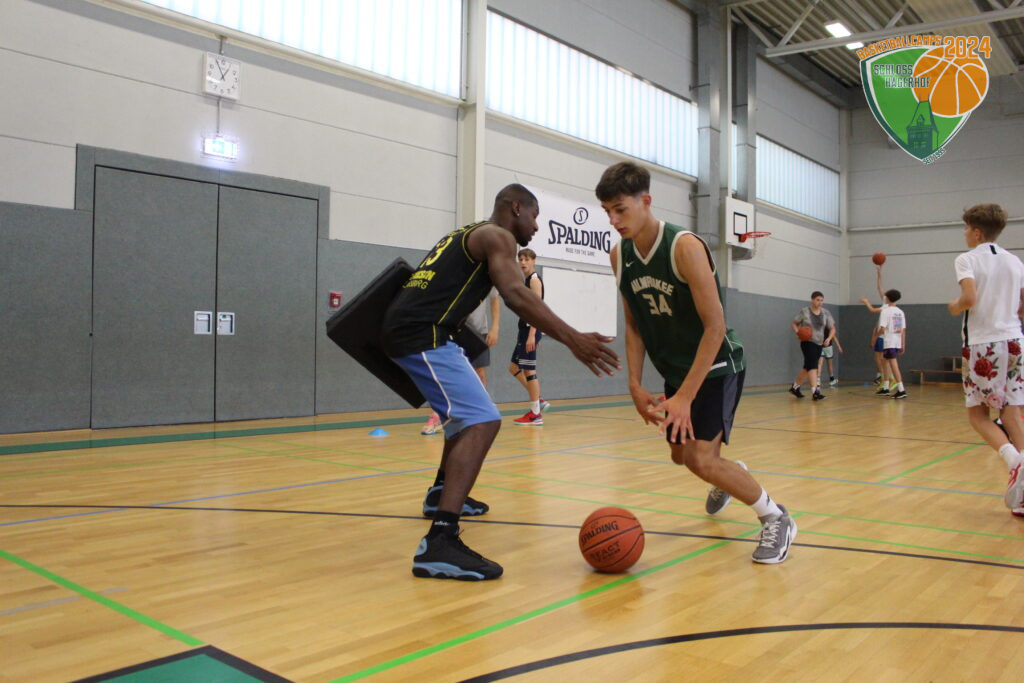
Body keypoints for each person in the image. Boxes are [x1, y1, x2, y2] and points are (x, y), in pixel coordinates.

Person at [381, 184, 619, 580]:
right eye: (535, 216)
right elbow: (515, 295)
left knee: (464, 419)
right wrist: (574, 338)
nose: (537, 227)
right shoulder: (498, 237)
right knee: (482, 420)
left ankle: (441, 493)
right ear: (516, 207)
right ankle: (439, 541)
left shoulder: (465, 233)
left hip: (426, 331)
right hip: (422, 335)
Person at [596, 161, 796, 564]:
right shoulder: (619, 254)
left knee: (700, 459)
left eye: (620, 209)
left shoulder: (683, 247)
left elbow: (715, 326)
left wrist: (685, 397)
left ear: (646, 201)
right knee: (681, 456)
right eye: (607, 212)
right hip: (677, 371)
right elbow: (633, 325)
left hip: (717, 364)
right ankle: (728, 473)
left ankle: (776, 517)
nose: (613, 220)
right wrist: (634, 385)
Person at [947, 203, 1024, 515]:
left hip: (983, 344)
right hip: (1015, 341)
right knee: (1011, 414)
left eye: (967, 228)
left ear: (977, 232)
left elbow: (969, 298)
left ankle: (1015, 462)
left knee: (978, 416)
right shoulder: (1015, 261)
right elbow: (1022, 307)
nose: (965, 234)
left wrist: (954, 306)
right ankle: (1022, 493)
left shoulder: (967, 259)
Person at [421, 290, 500, 435]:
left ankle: (480, 414)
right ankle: (438, 415)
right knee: (447, 374)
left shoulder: (488, 280)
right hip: (454, 330)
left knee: (479, 373)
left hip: (478, 331)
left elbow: (495, 299)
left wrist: (495, 328)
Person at [508, 249, 550, 425]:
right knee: (513, 367)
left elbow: (537, 310)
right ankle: (538, 400)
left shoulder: (534, 280)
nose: (523, 262)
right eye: (521, 259)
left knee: (529, 370)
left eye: (526, 259)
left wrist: (533, 335)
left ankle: (535, 414)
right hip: (524, 330)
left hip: (529, 330)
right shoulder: (525, 280)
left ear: (534, 261)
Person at [789, 292, 836, 401]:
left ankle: (795, 387)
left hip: (819, 343)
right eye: (817, 300)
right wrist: (798, 333)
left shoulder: (826, 313)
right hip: (807, 342)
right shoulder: (805, 311)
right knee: (813, 366)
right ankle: (815, 392)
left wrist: (829, 338)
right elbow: (794, 323)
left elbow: (832, 328)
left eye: (821, 300)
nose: (820, 302)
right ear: (812, 300)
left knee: (807, 367)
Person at [860, 265, 888, 385]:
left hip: (883, 336)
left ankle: (884, 378)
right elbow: (879, 287)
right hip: (881, 335)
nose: (883, 295)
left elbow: (872, 310)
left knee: (879, 358)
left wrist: (866, 302)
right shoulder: (886, 305)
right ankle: (883, 377)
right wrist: (879, 273)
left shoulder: (886, 308)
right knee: (881, 358)